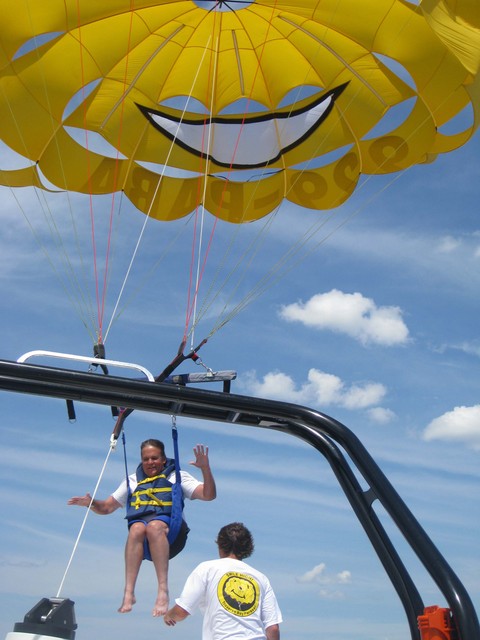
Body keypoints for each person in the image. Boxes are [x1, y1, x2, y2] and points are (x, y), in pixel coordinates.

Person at [68, 439, 216, 617]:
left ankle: (163, 591)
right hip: (144, 544)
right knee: (136, 528)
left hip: (172, 538)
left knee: (154, 526)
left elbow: (209, 495)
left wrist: (205, 468)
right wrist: (90, 503)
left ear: (163, 459)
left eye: (154, 458)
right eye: (146, 459)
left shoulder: (177, 477)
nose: (150, 462)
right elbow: (106, 507)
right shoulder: (132, 481)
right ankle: (129, 593)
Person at [164, 522, 282, 640]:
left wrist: (169, 616)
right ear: (247, 547)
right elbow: (273, 628)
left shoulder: (206, 569)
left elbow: (181, 612)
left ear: (220, 545)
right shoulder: (261, 578)